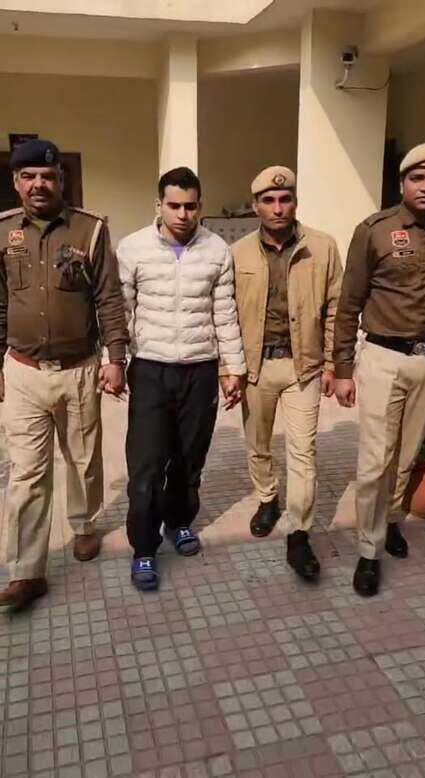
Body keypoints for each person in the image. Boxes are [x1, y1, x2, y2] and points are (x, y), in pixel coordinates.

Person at [0, 139, 128, 608]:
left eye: (48, 177)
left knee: (83, 458)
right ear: (16, 182)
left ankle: (84, 523)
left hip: (79, 369)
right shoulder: (3, 233)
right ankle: (26, 571)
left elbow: (108, 297)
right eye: (29, 176)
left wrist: (116, 358)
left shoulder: (89, 230)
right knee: (27, 473)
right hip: (23, 371)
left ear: (60, 180)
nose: (39, 184)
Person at [117, 166, 245, 591]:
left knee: (190, 457)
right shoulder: (133, 248)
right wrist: (112, 360)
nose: (183, 214)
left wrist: (233, 368)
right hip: (150, 369)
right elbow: (122, 313)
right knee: (147, 463)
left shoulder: (216, 250)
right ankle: (144, 547)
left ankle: (179, 521)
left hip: (200, 369)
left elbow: (224, 312)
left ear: (200, 206)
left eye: (190, 206)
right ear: (159, 205)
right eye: (174, 205)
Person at [231, 165, 342, 581]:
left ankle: (299, 532)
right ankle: (267, 498)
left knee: (303, 452)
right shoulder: (237, 253)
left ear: (295, 201)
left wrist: (332, 363)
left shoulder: (322, 247)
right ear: (255, 205)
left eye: (285, 199)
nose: (278, 208)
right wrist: (229, 369)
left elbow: (336, 308)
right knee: (257, 443)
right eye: (269, 201)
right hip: (255, 367)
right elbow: (224, 313)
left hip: (303, 368)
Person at [334, 142, 425, 597]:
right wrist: (342, 367)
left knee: (406, 456)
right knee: (375, 460)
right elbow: (349, 302)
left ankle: (391, 520)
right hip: (382, 358)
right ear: (402, 183)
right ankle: (369, 550)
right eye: (418, 177)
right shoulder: (375, 230)